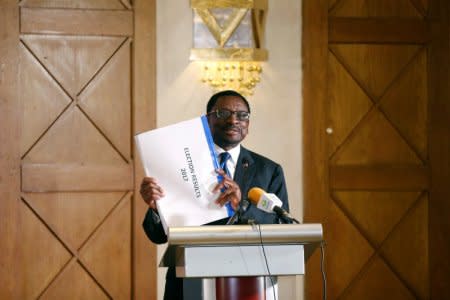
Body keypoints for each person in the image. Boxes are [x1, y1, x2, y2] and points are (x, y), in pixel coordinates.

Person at [140, 90, 290, 300]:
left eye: (242, 115)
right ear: (207, 119)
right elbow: (158, 235)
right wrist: (155, 208)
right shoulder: (178, 164)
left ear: (248, 123)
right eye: (223, 113)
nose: (233, 120)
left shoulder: (269, 170)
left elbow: (282, 227)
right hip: (187, 281)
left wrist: (242, 206)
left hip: (249, 280)